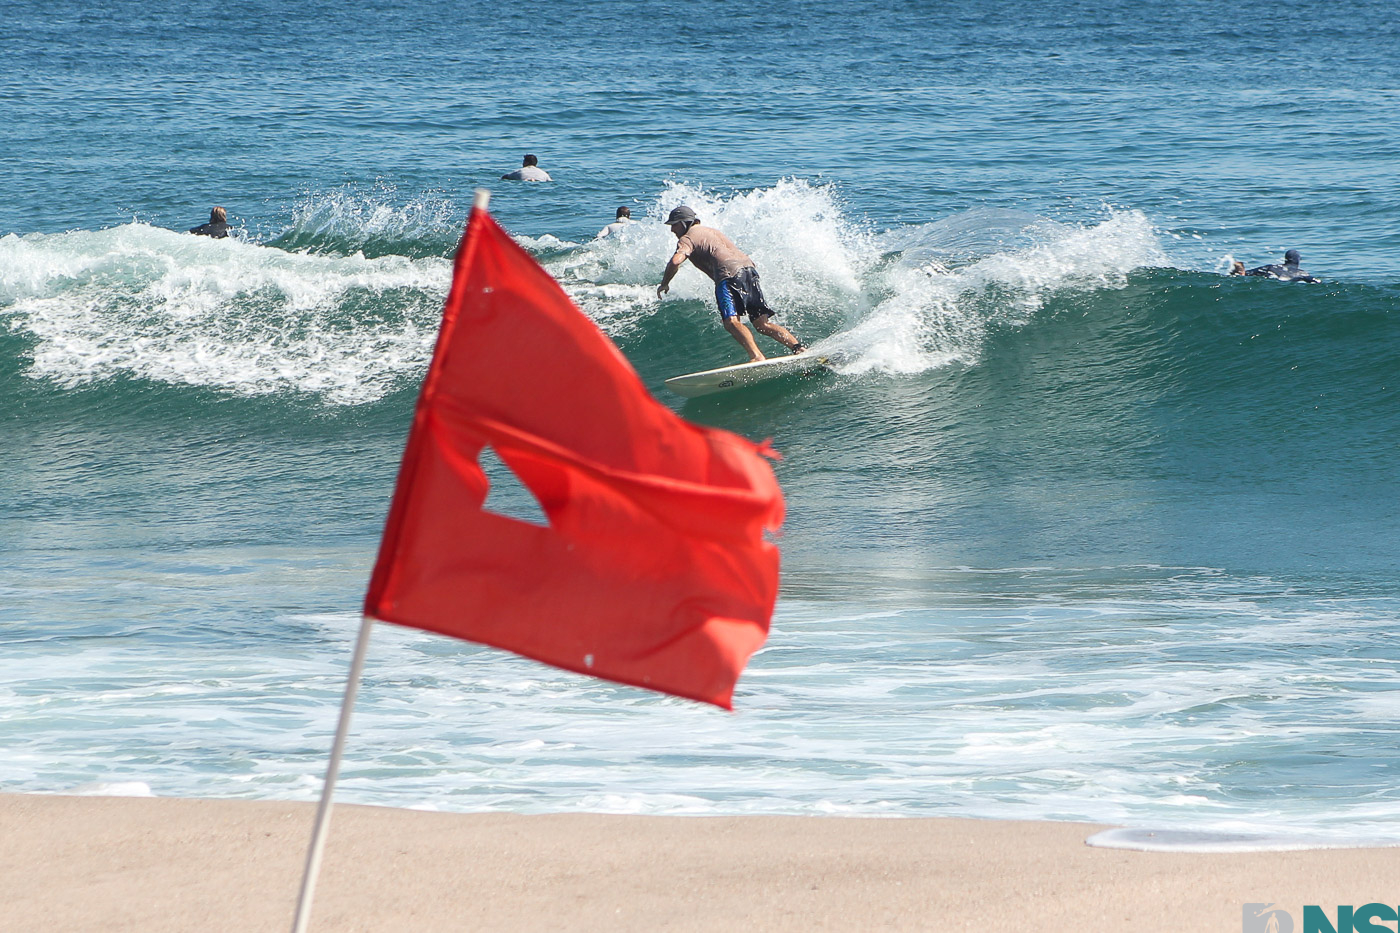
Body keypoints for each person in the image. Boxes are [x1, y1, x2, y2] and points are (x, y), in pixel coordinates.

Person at [655, 205, 806, 362]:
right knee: (762, 324)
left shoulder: (687, 238)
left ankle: (757, 356)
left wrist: (665, 283)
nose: (672, 229)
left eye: (674, 224)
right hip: (749, 270)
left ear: (685, 223)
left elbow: (675, 261)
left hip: (728, 275)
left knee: (731, 322)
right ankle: (798, 348)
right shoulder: (713, 231)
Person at [1229, 249, 1319, 283]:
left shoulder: (1271, 267)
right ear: (1298, 260)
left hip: (1272, 279)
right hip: (1286, 282)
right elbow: (1313, 280)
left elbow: (1248, 273)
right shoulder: (1302, 273)